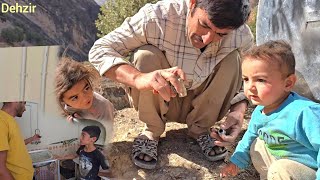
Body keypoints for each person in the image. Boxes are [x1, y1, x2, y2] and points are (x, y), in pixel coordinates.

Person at [89, 0, 253, 169]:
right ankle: (151, 130)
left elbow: (253, 75)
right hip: (161, 96)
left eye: (221, 35)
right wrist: (139, 78)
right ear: (192, 4)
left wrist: (238, 111)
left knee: (234, 60)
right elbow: (99, 50)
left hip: (205, 103)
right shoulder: (157, 17)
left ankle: (201, 129)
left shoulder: (241, 35)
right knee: (145, 54)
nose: (207, 39)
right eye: (204, 25)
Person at [220, 40, 320, 179]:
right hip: (281, 167)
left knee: (281, 169)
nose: (250, 87)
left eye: (260, 80)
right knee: (257, 145)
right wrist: (236, 162)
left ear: (288, 83)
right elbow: (248, 138)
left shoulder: (305, 112)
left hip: (309, 171)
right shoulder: (260, 111)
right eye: (246, 79)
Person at [55, 57, 115, 145]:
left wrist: (85, 127)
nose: (85, 98)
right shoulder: (58, 108)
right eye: (75, 97)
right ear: (62, 100)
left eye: (86, 88)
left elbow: (106, 136)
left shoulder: (102, 107)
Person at [0, 102, 34, 180]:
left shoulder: (10, 120)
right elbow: (1, 169)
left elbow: (15, 146)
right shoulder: (1, 121)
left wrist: (32, 138)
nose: (25, 109)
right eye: (24, 103)